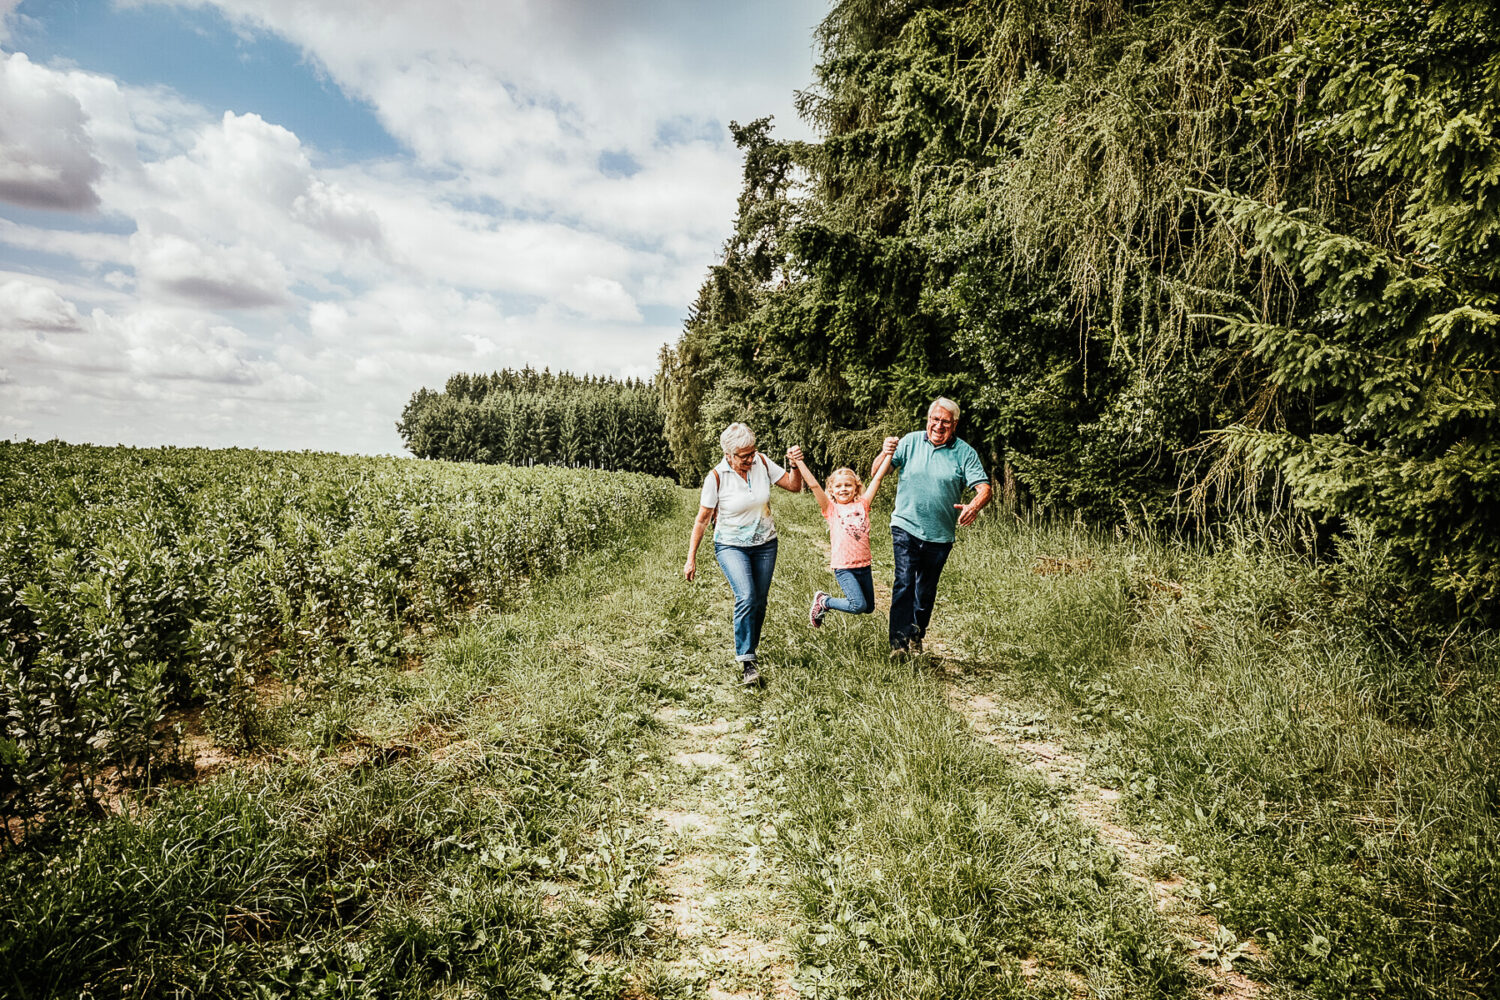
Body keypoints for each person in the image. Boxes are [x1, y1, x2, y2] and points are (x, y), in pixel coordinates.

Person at [684, 423, 804, 687]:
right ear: (728, 454)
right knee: (746, 595)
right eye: (743, 456)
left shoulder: (761, 462)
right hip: (730, 545)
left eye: (752, 452)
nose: (750, 459)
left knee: (759, 601)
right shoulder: (716, 477)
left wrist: (795, 465)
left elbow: (794, 486)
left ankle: (752, 650)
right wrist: (691, 556)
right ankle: (747, 662)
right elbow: (702, 519)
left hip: (765, 544)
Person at [877, 397, 991, 655]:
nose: (939, 426)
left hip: (940, 535)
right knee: (904, 580)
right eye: (935, 419)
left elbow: (984, 488)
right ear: (928, 420)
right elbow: (878, 472)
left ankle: (917, 632)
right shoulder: (910, 441)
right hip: (905, 524)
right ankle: (898, 644)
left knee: (925, 590)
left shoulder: (965, 453)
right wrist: (886, 452)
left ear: (955, 425)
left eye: (945, 422)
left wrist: (974, 505)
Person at [790, 442, 896, 627]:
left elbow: (878, 479)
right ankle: (824, 601)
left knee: (868, 607)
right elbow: (814, 485)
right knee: (857, 605)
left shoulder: (863, 504)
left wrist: (889, 453)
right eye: (838, 486)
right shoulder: (831, 509)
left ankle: (826, 602)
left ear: (856, 487)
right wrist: (798, 461)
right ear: (831, 490)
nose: (843, 489)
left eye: (848, 485)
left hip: (864, 565)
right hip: (844, 567)